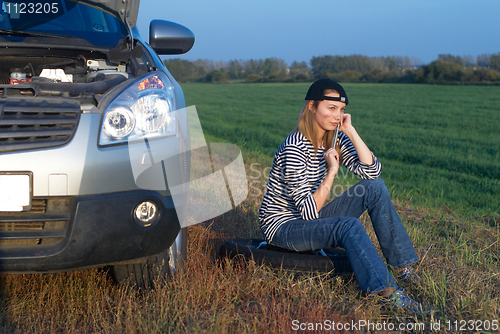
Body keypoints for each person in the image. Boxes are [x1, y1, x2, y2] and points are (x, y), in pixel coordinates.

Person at [259, 78, 422, 311]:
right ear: (312, 106)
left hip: (309, 218)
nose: (337, 116)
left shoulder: (333, 139)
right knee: (348, 226)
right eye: (331, 108)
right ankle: (387, 293)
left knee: (375, 187)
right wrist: (332, 172)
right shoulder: (294, 148)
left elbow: (372, 172)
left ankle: (402, 268)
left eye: (342, 110)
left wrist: (350, 131)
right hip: (284, 227)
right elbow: (307, 213)